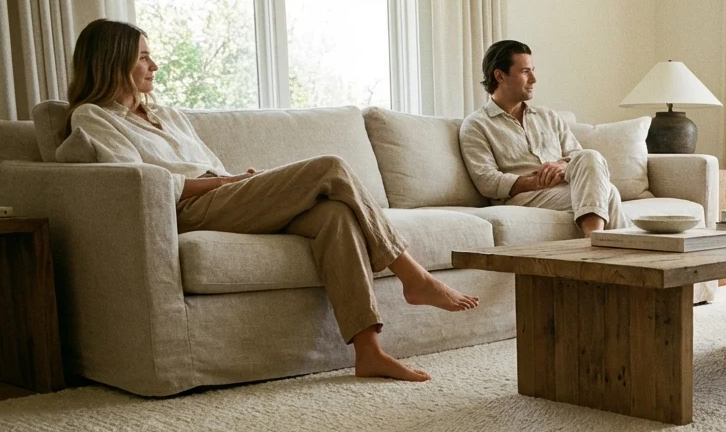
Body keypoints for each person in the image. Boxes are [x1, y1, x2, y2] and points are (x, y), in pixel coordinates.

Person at [59, 19, 479, 383]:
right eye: (143, 58)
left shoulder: (168, 115)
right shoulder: (93, 116)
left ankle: (369, 353)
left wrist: (241, 183)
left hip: (223, 195)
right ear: (112, 62)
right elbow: (141, 183)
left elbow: (208, 164)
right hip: (187, 207)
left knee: (335, 215)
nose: (154, 66)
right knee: (330, 167)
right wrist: (226, 183)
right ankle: (414, 277)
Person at [458, 40, 629, 238]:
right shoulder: (476, 125)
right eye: (525, 72)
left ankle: (594, 243)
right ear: (500, 76)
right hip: (524, 197)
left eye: (532, 70)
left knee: (590, 156)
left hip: (563, 187)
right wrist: (536, 182)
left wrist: (562, 167)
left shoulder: (548, 116)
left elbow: (577, 155)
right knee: (608, 192)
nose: (533, 79)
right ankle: (600, 244)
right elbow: (487, 181)